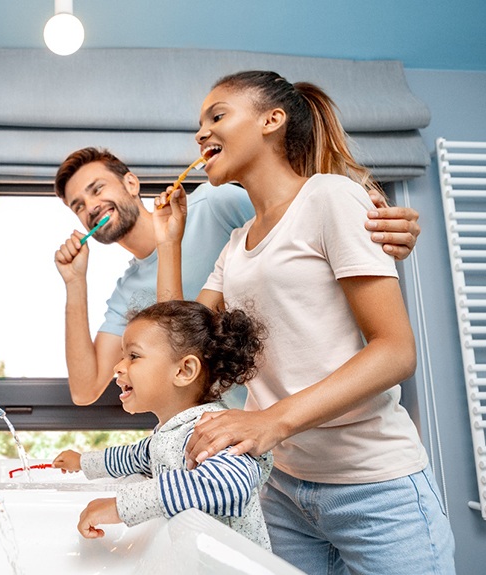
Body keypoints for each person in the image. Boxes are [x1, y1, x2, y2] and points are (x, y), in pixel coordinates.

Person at [153, 71, 455, 574]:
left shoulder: (330, 198)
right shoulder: (237, 244)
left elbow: (395, 352)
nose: (201, 134)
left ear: (272, 121)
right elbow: (180, 348)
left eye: (217, 116)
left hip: (373, 486)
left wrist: (271, 420)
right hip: (283, 488)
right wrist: (169, 242)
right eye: (199, 125)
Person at [53, 147, 421, 408]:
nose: (90, 206)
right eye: (78, 206)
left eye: (97, 189)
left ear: (131, 184)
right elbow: (85, 390)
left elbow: (306, 216)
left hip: (328, 406)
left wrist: (367, 213)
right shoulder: (126, 293)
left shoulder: (215, 203)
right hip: (249, 432)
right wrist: (74, 283)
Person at [52, 300, 273, 549]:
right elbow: (132, 456)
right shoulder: (171, 432)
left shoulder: (213, 432)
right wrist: (83, 462)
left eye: (133, 356)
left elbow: (226, 484)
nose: (118, 366)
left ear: (184, 371)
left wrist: (120, 507)